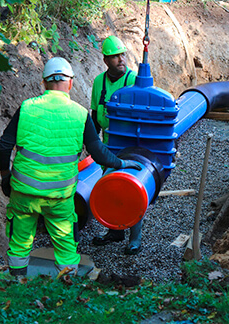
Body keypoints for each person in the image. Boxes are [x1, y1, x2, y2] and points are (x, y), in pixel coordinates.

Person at [0, 57, 141, 277]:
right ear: (70, 83)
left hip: (23, 194)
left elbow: (3, 147)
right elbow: (99, 152)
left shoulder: (26, 108)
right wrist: (122, 163)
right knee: (65, 246)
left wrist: (5, 176)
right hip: (60, 198)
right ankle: (65, 291)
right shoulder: (80, 114)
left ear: (43, 83)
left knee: (19, 242)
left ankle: (16, 287)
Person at [90, 36, 143, 255]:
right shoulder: (98, 82)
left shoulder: (133, 80)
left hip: (130, 146)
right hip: (107, 146)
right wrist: (92, 145)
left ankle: (135, 238)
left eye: (122, 55)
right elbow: (94, 114)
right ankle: (114, 231)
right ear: (106, 60)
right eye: (115, 56)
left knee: (131, 190)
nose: (121, 60)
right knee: (110, 189)